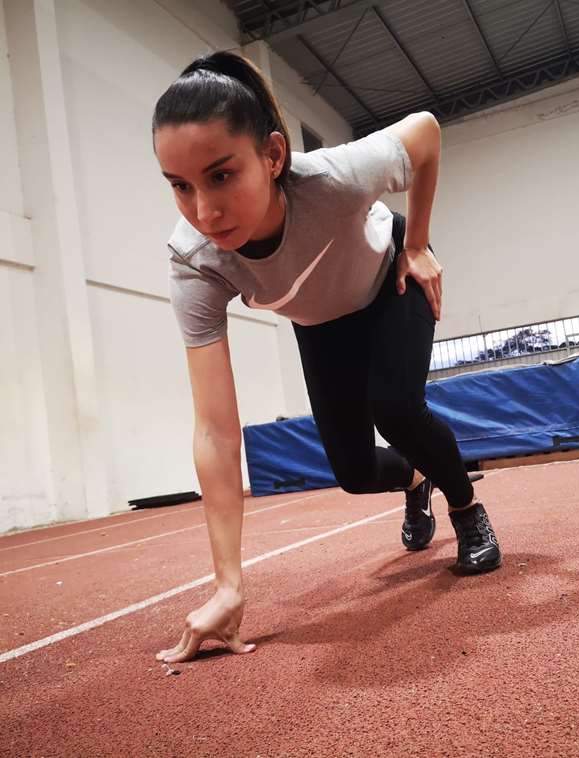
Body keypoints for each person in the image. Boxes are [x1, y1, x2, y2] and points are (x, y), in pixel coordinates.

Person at [152, 51, 501, 664]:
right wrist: (229, 584)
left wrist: (416, 243)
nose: (204, 211)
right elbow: (214, 427)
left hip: (389, 279)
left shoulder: (333, 180)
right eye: (180, 186)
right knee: (354, 472)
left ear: (274, 156)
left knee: (395, 408)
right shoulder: (195, 261)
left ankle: (467, 509)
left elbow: (424, 131)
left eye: (222, 175)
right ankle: (416, 478)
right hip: (320, 323)